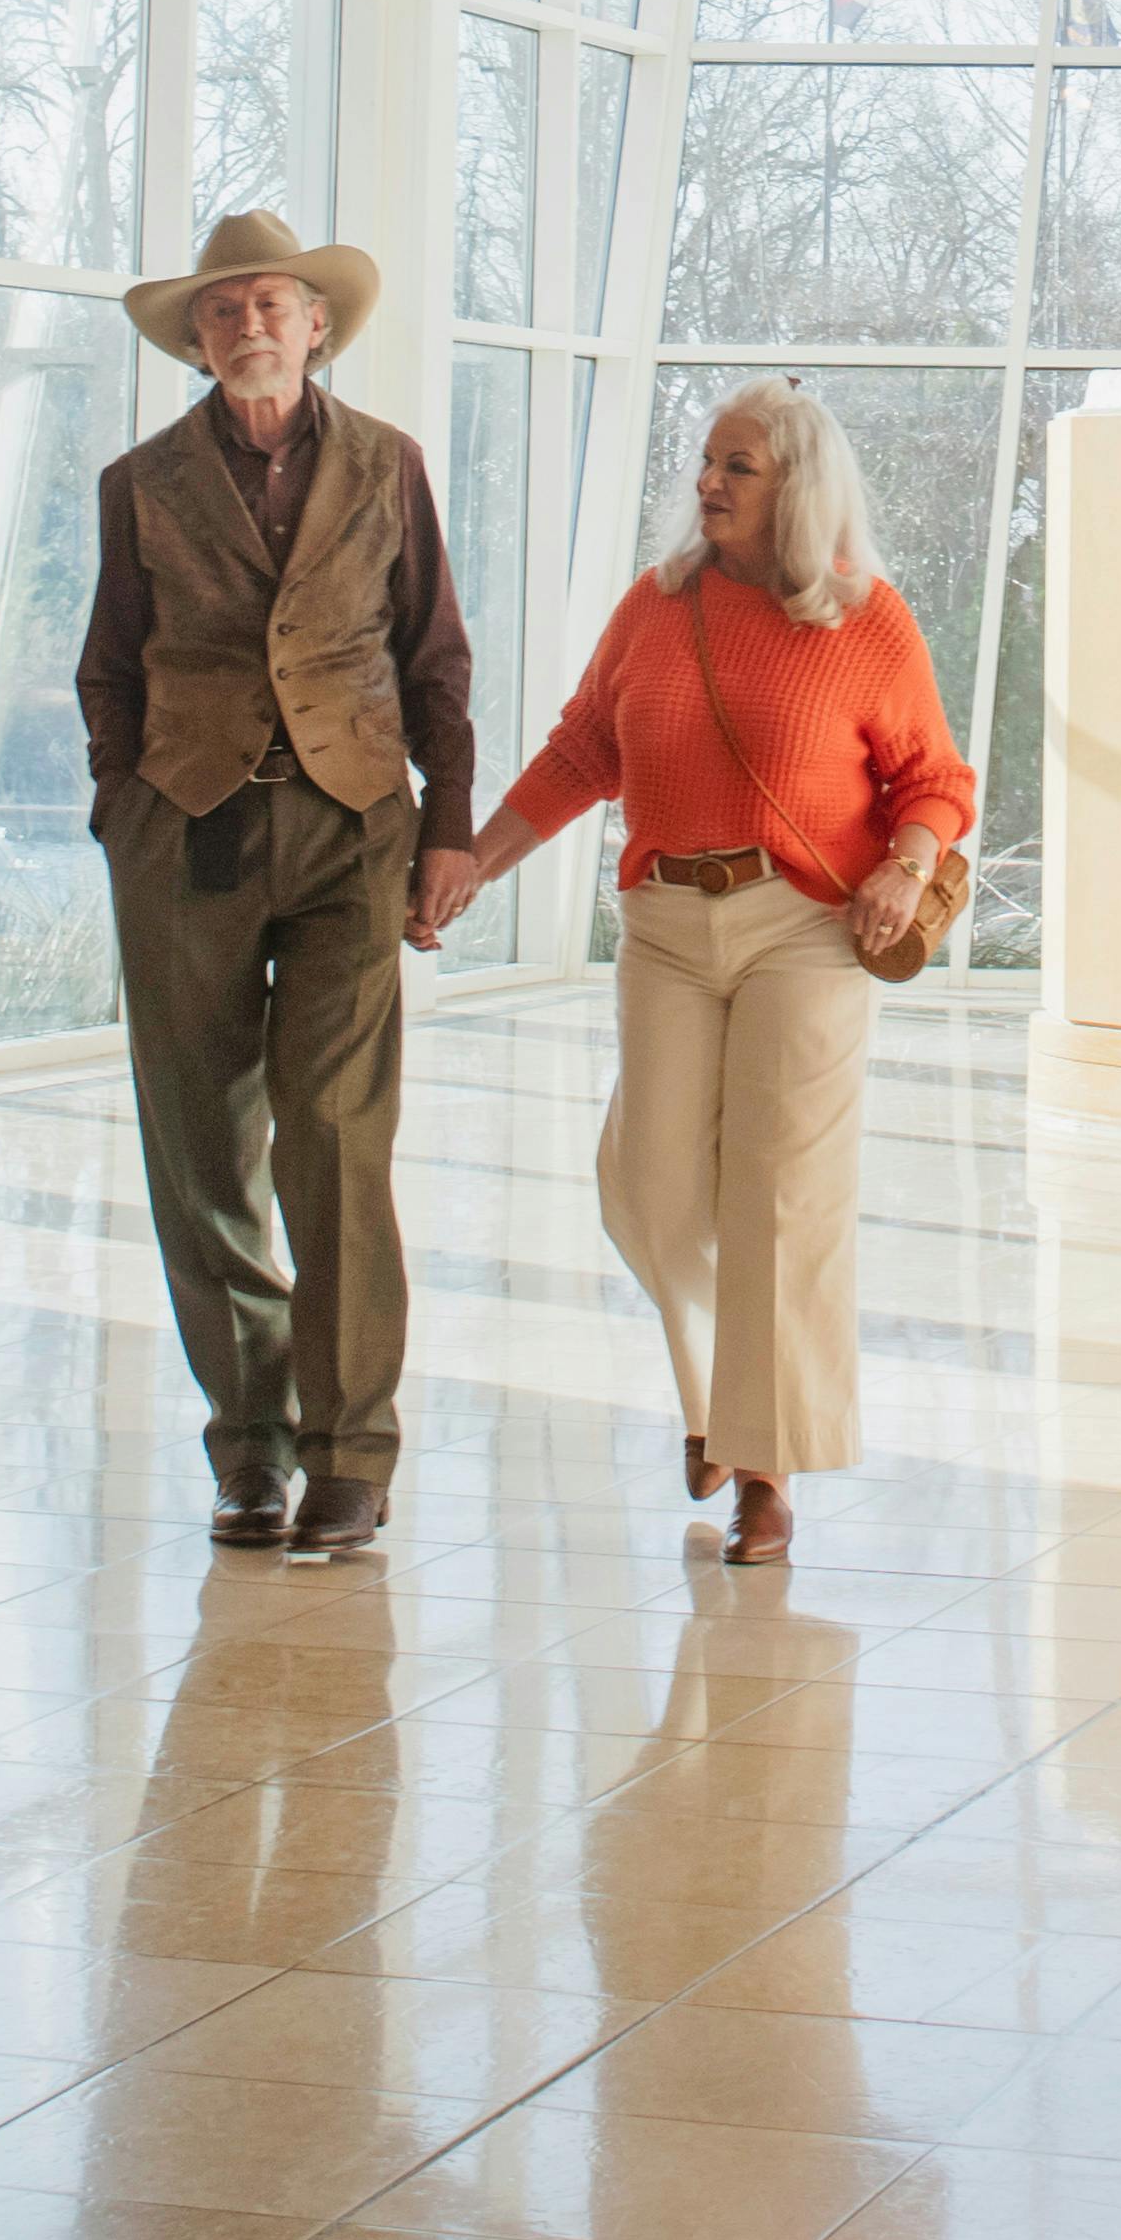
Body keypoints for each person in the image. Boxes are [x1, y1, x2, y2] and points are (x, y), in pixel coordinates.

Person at [427, 381, 978, 1567]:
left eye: (739, 466)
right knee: (654, 1184)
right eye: (708, 462)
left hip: (804, 925)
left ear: (798, 487)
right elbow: (584, 747)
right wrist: (478, 860)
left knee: (779, 1196)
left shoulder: (863, 619)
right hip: (667, 923)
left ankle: (765, 1469)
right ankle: (713, 1408)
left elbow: (936, 777)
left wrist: (909, 862)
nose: (709, 483)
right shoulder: (656, 604)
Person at [79, 208, 473, 1559]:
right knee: (200, 1153)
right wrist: (116, 803)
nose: (251, 324)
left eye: (274, 304)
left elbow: (434, 655)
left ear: (317, 324)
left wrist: (450, 829)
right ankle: (246, 1446)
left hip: (352, 825)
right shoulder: (139, 482)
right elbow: (109, 666)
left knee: (336, 1139)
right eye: (225, 308)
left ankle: (350, 1453)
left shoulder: (386, 464)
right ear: (197, 337)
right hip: (182, 835)